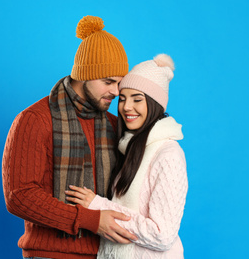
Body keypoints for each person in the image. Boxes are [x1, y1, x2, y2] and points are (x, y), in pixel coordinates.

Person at [2, 15, 137, 259]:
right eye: (108, 82)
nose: (116, 92)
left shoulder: (113, 125)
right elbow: (19, 196)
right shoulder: (35, 120)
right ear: (84, 74)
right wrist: (91, 220)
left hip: (108, 253)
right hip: (51, 254)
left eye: (119, 83)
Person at [66, 54, 188, 258]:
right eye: (122, 99)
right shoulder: (130, 147)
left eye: (137, 99)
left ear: (155, 103)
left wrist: (98, 206)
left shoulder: (168, 154)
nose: (127, 107)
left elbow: (163, 235)